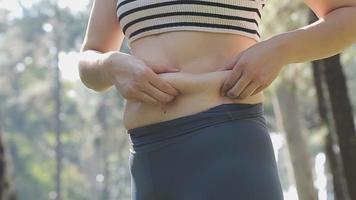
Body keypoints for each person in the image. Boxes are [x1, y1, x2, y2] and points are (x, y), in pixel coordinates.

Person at [78, 0, 356, 199]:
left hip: (227, 143)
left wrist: (279, 50)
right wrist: (109, 65)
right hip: (149, 157)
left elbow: (348, 13)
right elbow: (90, 55)